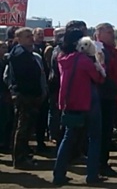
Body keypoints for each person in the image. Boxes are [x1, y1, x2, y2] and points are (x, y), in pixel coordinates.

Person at [52, 28, 106, 185]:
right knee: (94, 138)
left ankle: (59, 174)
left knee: (68, 138)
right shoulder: (84, 60)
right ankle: (92, 175)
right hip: (89, 102)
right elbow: (99, 78)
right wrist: (100, 63)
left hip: (70, 103)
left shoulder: (62, 59)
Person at [3, 27, 46, 169]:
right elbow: (24, 78)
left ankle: (23, 155)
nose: (31, 38)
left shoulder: (28, 53)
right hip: (25, 95)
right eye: (27, 36)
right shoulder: (20, 54)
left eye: (30, 35)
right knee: (23, 128)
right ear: (18, 39)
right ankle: (20, 159)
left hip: (30, 95)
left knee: (26, 128)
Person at [95, 23, 117, 176]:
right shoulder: (98, 50)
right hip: (103, 96)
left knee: (107, 131)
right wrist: (112, 87)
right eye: (108, 32)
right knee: (102, 132)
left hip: (113, 95)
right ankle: (100, 164)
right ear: (99, 34)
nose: (112, 34)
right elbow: (101, 73)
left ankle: (102, 162)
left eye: (112, 31)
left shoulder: (113, 51)